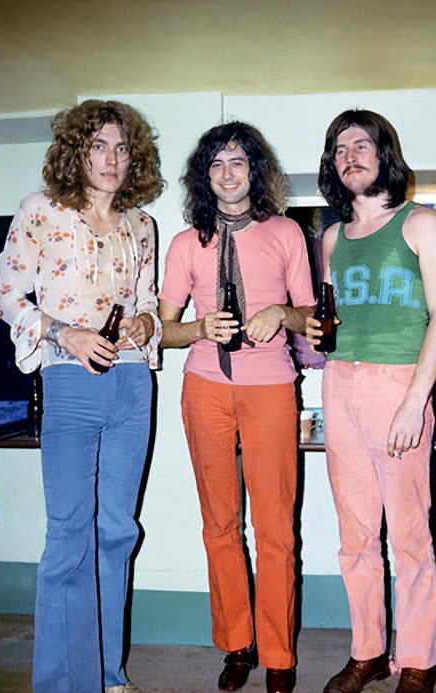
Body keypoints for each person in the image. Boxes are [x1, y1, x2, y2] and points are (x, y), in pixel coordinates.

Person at [0, 99, 164, 693]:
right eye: (98, 146)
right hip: (69, 381)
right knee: (69, 537)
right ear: (76, 152)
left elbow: (148, 301)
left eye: (122, 148)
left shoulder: (143, 225)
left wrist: (145, 322)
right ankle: (61, 684)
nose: (112, 159)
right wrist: (65, 332)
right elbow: (5, 295)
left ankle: (108, 674)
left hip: (133, 384)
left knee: (117, 532)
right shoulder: (40, 211)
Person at [158, 122, 314, 693]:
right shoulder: (185, 243)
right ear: (205, 175)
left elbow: (313, 318)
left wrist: (283, 315)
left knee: (276, 528)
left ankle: (278, 653)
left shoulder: (286, 233)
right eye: (217, 164)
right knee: (220, 525)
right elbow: (163, 330)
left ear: (255, 170)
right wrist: (200, 327)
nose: (227, 174)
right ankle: (237, 645)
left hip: (271, 387)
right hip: (206, 389)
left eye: (238, 162)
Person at [306, 109, 436, 693]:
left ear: (383, 153)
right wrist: (316, 332)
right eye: (339, 149)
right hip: (339, 382)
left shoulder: (421, 222)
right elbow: (334, 317)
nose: (350, 156)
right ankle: (366, 651)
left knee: (410, 533)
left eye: (361, 145)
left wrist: (416, 402)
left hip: (399, 384)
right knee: (356, 535)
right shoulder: (333, 237)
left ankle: (417, 658)